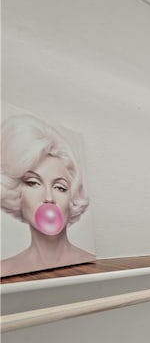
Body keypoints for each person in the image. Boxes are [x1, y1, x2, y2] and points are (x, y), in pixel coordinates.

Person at [1, 114, 94, 276]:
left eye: (59, 187)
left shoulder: (89, 261)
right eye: (33, 183)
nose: (49, 198)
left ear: (71, 197)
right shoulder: (5, 270)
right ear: (16, 192)